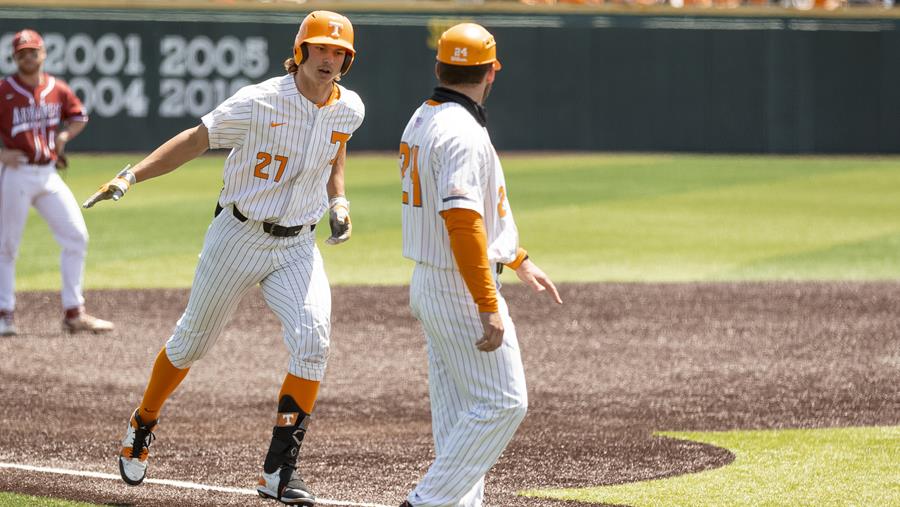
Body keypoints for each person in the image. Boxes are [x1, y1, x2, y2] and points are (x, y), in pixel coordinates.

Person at [82, 11, 364, 505]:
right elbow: (195, 140)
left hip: (297, 244)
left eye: (339, 52)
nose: (329, 59)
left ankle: (278, 472)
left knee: (314, 340)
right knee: (191, 343)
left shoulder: (349, 108)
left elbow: (333, 150)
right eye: (320, 48)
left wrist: (338, 201)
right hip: (237, 236)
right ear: (300, 51)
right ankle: (144, 420)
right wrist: (131, 176)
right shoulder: (258, 102)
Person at [398, 23, 563, 507]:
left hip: (433, 281)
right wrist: (488, 303)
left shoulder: (424, 118)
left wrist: (514, 256)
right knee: (502, 404)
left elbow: (467, 213)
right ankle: (422, 503)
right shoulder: (462, 131)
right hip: (459, 286)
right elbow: (462, 221)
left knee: (459, 422)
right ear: (492, 71)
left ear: (438, 67)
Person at [0, 29, 114, 336]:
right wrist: (1, 154)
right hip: (18, 172)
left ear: (43, 54)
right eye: (22, 53)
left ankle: (74, 313)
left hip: (48, 173)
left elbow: (78, 116)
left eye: (32, 51)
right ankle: (4, 314)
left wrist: (64, 135)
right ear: (14, 57)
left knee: (76, 236)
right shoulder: (4, 89)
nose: (28, 57)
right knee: (7, 245)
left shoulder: (57, 88)